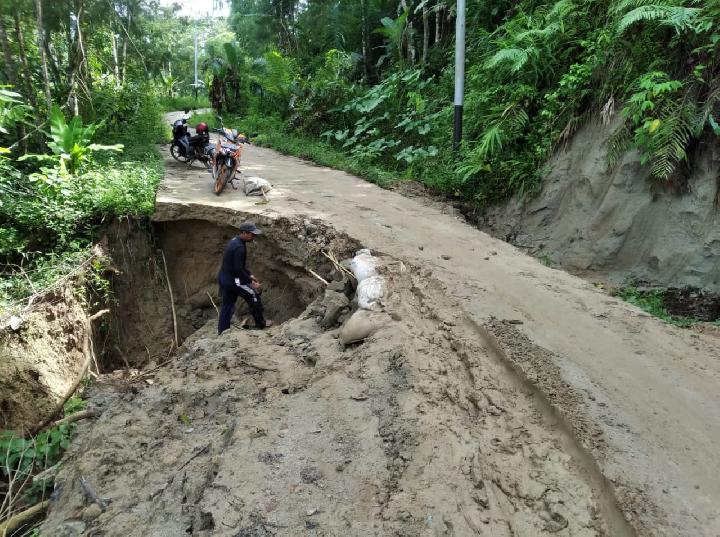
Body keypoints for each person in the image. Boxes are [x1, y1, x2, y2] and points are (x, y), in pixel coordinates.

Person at [217, 222, 274, 334]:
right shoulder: (239, 248)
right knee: (253, 294)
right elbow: (238, 270)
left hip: (224, 277)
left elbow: (239, 266)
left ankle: (223, 331)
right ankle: (261, 323)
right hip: (233, 281)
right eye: (252, 234)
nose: (253, 236)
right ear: (244, 233)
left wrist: (250, 275)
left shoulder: (235, 241)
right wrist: (251, 282)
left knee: (227, 305)